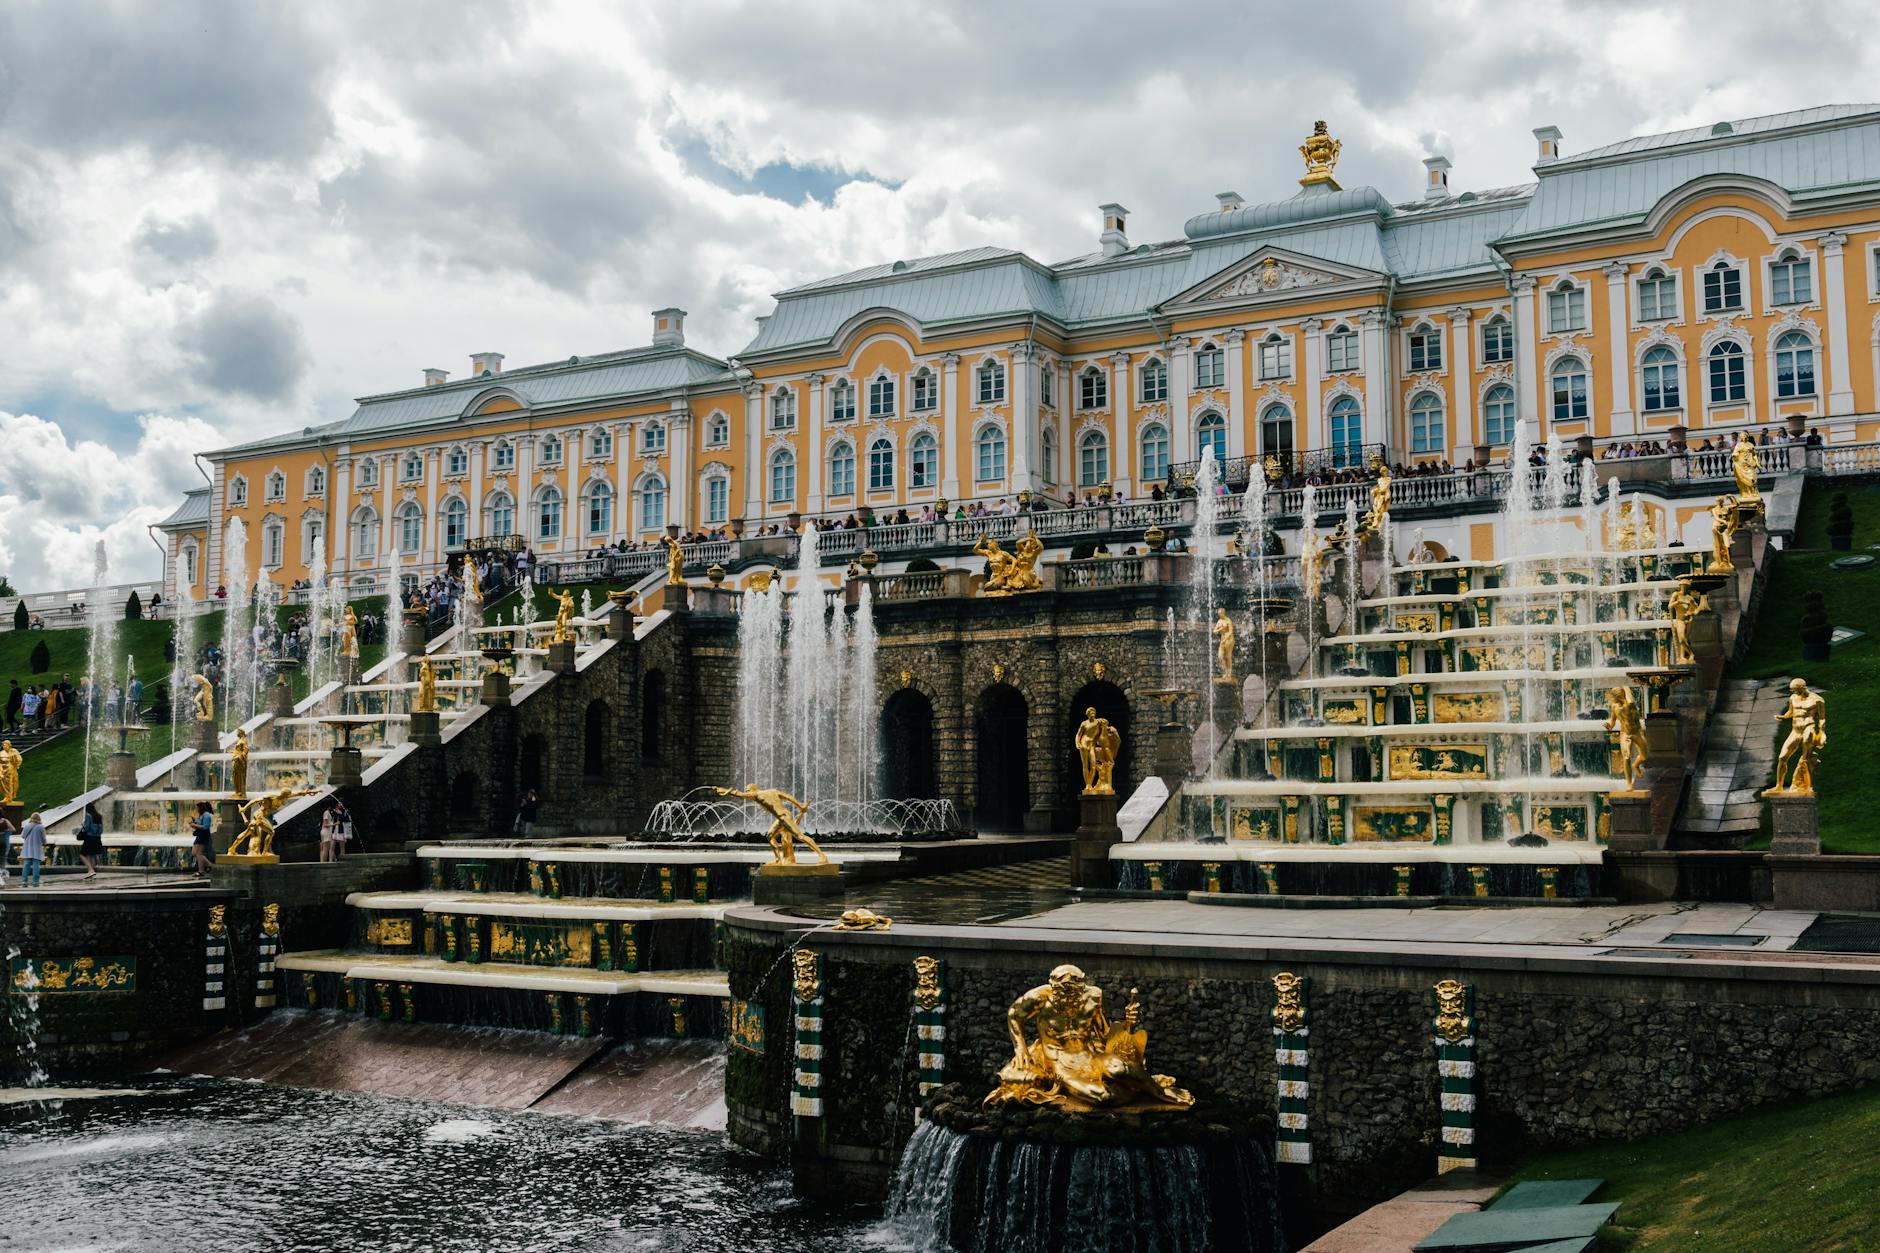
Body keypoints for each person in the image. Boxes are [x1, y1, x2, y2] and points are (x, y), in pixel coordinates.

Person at [77, 801, 106, 881]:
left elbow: (86, 828)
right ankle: (91, 874)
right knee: (91, 855)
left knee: (82, 854)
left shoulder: (88, 816)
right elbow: (101, 830)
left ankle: (90, 870)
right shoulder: (99, 816)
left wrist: (82, 826)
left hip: (89, 838)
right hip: (97, 838)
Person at [19, 812, 45, 888]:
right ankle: (35, 881)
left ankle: (24, 881)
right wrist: (44, 842)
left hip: (27, 848)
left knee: (26, 864)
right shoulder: (41, 827)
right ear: (39, 818)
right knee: (36, 865)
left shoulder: (27, 826)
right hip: (37, 848)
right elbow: (43, 839)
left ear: (31, 818)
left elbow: (23, 836)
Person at [190, 801, 215, 878]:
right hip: (199, 835)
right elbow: (199, 824)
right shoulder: (202, 815)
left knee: (199, 853)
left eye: (197, 808)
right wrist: (194, 823)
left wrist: (195, 825)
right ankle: (210, 865)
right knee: (194, 853)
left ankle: (201, 871)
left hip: (203, 835)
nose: (196, 809)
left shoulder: (207, 815)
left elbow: (205, 827)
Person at [0, 813, 13, 886]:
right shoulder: (5, 821)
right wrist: (6, 829)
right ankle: (3, 874)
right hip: (2, 840)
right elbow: (13, 829)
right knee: (2, 859)